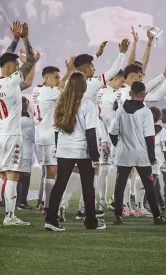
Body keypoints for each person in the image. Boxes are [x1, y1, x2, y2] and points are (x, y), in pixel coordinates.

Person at [59, 39, 129, 220]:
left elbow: (80, 70)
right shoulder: (91, 84)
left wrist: (96, 55)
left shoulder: (69, 84)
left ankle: (62, 204)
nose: (94, 69)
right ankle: (84, 209)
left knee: (71, 172)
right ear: (85, 69)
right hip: (88, 131)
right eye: (91, 66)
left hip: (69, 134)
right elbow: (113, 71)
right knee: (92, 171)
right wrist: (122, 53)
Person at [0, 22, 36, 227]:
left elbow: (5, 57)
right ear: (9, 68)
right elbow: (31, 60)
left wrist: (14, 40)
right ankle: (9, 216)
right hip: (11, 135)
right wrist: (26, 38)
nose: (17, 66)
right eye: (15, 64)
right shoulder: (12, 80)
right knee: (13, 176)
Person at [44, 71, 105, 232]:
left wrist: (59, 148)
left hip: (64, 149)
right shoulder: (87, 104)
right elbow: (90, 132)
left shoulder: (60, 102)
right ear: (83, 86)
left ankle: (50, 219)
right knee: (88, 187)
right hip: (81, 150)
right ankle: (91, 221)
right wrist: (95, 155)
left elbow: (56, 130)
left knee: (59, 185)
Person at [109, 81, 166, 225]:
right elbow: (149, 136)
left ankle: (118, 216)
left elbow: (112, 133)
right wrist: (152, 157)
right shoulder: (145, 111)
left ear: (130, 94)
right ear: (144, 95)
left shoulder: (121, 110)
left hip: (124, 154)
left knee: (120, 185)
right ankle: (157, 217)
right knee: (149, 186)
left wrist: (120, 145)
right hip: (141, 154)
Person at [32, 63, 73, 217]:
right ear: (46, 78)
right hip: (49, 136)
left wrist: (67, 72)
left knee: (47, 171)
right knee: (52, 171)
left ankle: (44, 202)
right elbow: (63, 89)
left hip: (39, 136)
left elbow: (58, 87)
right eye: (55, 77)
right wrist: (69, 73)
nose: (58, 80)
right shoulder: (51, 92)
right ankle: (49, 206)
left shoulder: (37, 89)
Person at [96, 70, 125, 211]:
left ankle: (102, 200)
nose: (123, 84)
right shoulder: (115, 94)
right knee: (121, 168)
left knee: (104, 168)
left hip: (102, 137)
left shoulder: (99, 91)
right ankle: (115, 200)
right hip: (112, 137)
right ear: (116, 79)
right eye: (122, 81)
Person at [149, 106, 166, 213]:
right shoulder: (162, 131)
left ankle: (160, 205)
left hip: (144, 159)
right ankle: (154, 206)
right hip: (156, 160)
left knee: (153, 184)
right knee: (152, 184)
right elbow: (165, 147)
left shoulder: (144, 128)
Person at [18, 96, 36, 209]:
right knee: (25, 176)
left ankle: (15, 201)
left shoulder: (14, 120)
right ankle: (22, 202)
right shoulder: (28, 122)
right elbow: (34, 137)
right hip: (26, 152)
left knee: (16, 176)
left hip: (15, 151)